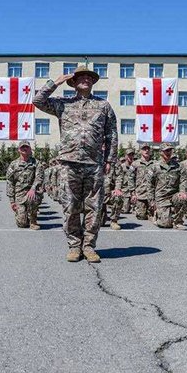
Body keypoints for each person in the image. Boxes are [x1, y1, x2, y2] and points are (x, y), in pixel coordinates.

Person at [33, 65, 118, 263]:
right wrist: (56, 82)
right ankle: (74, 246)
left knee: (94, 207)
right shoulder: (63, 104)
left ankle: (88, 246)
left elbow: (111, 134)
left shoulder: (103, 105)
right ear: (73, 82)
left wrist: (110, 160)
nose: (85, 79)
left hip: (93, 163)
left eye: (89, 77)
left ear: (93, 82)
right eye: (81, 77)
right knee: (70, 207)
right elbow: (37, 101)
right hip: (69, 163)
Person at [148, 144, 187, 230]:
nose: (168, 152)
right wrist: (151, 201)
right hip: (161, 197)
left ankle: (178, 222)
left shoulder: (179, 166)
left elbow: (183, 181)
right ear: (160, 152)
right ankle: (157, 215)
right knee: (165, 224)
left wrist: (182, 191)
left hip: (174, 195)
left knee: (182, 198)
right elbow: (150, 185)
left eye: (170, 150)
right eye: (166, 150)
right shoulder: (154, 166)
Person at [6, 141, 43, 229]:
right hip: (19, 194)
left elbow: (39, 177)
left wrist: (33, 189)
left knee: (32, 198)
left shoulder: (36, 163)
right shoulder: (14, 164)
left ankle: (33, 221)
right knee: (22, 224)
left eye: (27, 147)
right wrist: (12, 201)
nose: (25, 149)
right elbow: (10, 182)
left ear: (30, 149)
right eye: (22, 147)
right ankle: (22, 215)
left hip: (31, 192)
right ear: (19, 150)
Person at [131, 144, 155, 222]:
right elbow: (130, 178)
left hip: (152, 195)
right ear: (140, 151)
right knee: (141, 216)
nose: (146, 150)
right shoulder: (135, 164)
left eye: (148, 149)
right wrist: (133, 193)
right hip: (140, 194)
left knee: (155, 215)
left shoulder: (155, 164)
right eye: (144, 149)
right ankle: (138, 209)